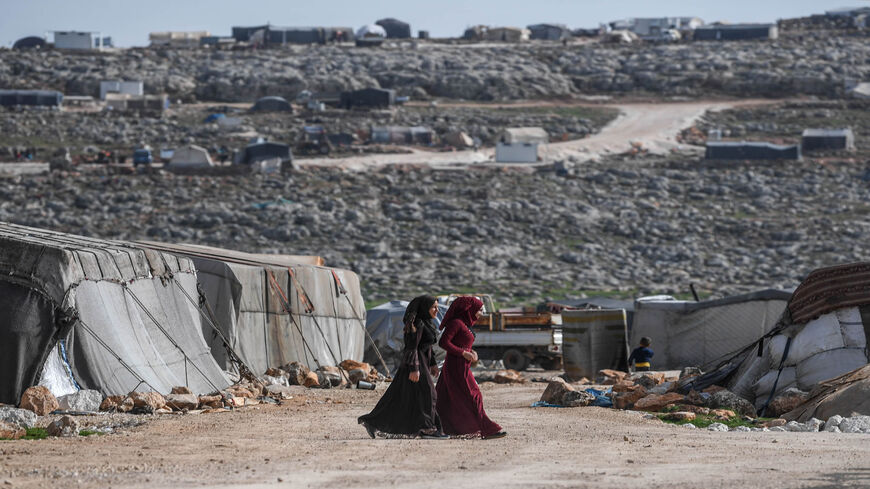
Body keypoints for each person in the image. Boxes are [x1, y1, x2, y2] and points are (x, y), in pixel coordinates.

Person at [358, 295, 447, 439]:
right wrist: (414, 368)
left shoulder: (426, 322)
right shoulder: (416, 324)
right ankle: (427, 429)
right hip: (415, 364)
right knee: (429, 395)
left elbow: (427, 347)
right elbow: (412, 348)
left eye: (437, 306)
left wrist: (433, 364)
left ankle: (372, 421)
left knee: (400, 397)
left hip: (421, 363)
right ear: (425, 308)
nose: (437, 310)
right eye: (433, 307)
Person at [436, 296, 506, 439]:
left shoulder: (465, 324)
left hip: (462, 366)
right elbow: (443, 343)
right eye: (479, 310)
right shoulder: (456, 323)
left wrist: (471, 353)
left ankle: (440, 427)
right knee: (473, 395)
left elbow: (463, 344)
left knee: (445, 398)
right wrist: (463, 353)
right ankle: (488, 429)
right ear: (469, 309)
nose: (481, 313)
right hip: (456, 367)